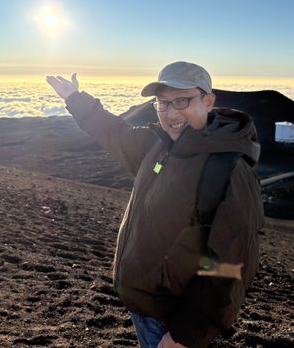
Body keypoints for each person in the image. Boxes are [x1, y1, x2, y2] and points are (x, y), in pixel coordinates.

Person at [46, 61, 264, 348]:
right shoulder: (159, 145)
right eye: (162, 103)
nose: (171, 113)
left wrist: (185, 336)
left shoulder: (229, 169)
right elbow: (115, 133)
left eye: (182, 101)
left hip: (172, 323)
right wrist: (75, 99)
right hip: (146, 310)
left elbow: (230, 267)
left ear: (208, 101)